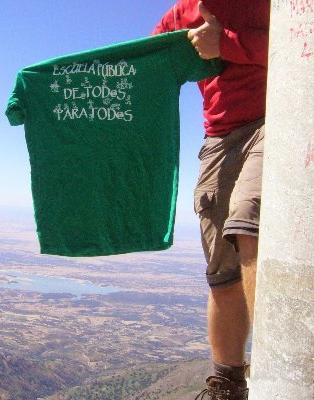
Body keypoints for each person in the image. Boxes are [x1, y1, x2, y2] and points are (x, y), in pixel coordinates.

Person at [152, 1, 270, 399]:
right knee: (222, 267)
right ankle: (228, 384)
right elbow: (146, 65)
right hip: (219, 140)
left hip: (275, 121)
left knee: (246, 218)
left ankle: (275, 374)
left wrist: (227, 44)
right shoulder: (179, 14)